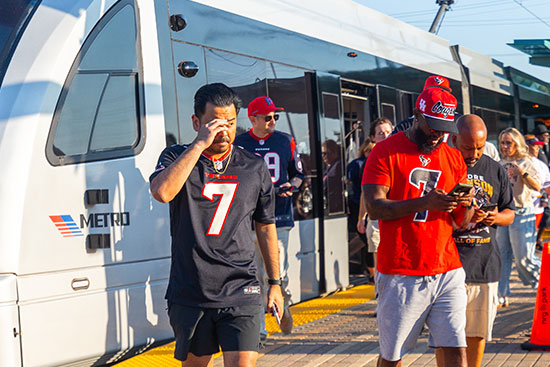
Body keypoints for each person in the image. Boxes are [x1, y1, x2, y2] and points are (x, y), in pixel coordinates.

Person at [149, 83, 284, 366]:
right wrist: (199, 144)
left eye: (231, 123)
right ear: (197, 122)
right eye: (214, 123)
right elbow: (162, 193)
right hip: (192, 290)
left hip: (241, 287)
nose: (224, 131)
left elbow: (266, 226)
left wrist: (275, 283)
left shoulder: (254, 166)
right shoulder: (176, 157)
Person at [362, 87, 474, 367]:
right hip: (401, 270)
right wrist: (424, 202)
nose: (438, 135)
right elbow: (375, 207)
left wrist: (468, 204)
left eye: (444, 129)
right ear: (416, 116)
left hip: (447, 268)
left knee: (456, 349)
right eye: (433, 126)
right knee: (393, 356)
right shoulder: (385, 151)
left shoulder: (453, 156)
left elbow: (460, 221)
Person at [439, 115, 515, 367]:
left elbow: (509, 212)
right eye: (467, 147)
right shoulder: (443, 166)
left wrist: (494, 218)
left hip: (484, 265)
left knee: (477, 332)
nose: (474, 154)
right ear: (453, 140)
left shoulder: (494, 169)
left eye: (480, 147)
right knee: (448, 334)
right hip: (449, 265)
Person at [234, 96, 304, 337]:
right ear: (252, 119)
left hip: (279, 217)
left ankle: (283, 304)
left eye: (276, 116)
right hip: (248, 220)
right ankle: (259, 328)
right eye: (267, 117)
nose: (273, 120)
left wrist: (290, 186)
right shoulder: (239, 143)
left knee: (275, 273)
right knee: (252, 275)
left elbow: (298, 174)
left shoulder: (286, 140)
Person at [496, 127, 541, 308]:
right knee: (502, 255)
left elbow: (537, 187)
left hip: (522, 212)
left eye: (509, 142)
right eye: (502, 143)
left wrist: (522, 173)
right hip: (504, 213)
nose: (505, 146)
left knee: (524, 258)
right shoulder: (499, 163)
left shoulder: (526, 162)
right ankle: (501, 294)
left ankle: (543, 280)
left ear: (517, 143)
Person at [356, 117, 393, 281]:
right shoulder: (370, 162)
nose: (385, 136)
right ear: (372, 138)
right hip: (376, 218)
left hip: (398, 216)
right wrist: (361, 217)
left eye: (388, 132)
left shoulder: (401, 157)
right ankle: (380, 291)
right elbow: (366, 193)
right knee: (379, 257)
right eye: (380, 133)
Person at [347, 138, 375, 278]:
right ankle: (372, 273)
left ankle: (371, 273)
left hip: (364, 205)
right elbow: (363, 190)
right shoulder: (359, 164)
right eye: (369, 151)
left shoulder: (356, 164)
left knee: (367, 242)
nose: (371, 153)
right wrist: (361, 217)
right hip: (362, 205)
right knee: (369, 242)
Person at [523, 135, 550, 251]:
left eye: (538, 147)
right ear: (526, 147)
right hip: (520, 207)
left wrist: (546, 196)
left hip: (537, 207)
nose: (537, 149)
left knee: (530, 237)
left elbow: (547, 186)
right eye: (535, 146)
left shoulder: (541, 165)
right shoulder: (516, 162)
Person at [322, 139, 343, 213]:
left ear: (334, 152)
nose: (323, 156)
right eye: (322, 154)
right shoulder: (325, 167)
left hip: (336, 205)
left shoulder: (338, 166)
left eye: (325, 153)